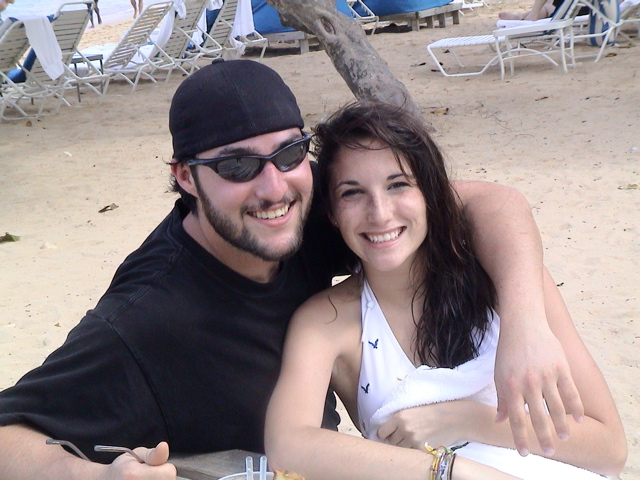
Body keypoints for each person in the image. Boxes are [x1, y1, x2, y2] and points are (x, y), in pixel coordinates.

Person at [0, 60, 582, 480]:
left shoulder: (312, 208)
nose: (273, 187)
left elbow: (489, 202)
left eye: (288, 152)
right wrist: (94, 476)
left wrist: (526, 326)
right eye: (237, 165)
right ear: (185, 177)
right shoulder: (146, 316)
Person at [264, 101, 627, 480]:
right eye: (352, 193)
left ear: (432, 195)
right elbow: (289, 447)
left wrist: (464, 419)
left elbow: (610, 451)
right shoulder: (328, 321)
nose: (380, 213)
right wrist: (450, 469)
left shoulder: (509, 283)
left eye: (398, 185)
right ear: (333, 214)